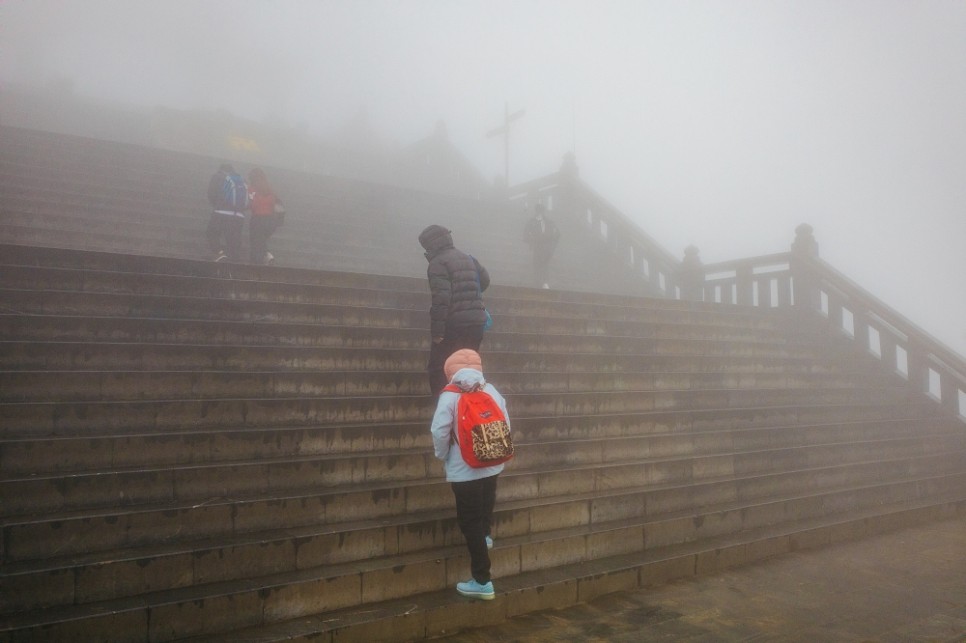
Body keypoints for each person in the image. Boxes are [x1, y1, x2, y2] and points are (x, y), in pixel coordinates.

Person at [431, 349, 508, 601]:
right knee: (486, 506)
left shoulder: (450, 396)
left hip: (465, 469)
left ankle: (482, 581)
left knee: (469, 521)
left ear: (449, 373)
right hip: (493, 463)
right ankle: (485, 536)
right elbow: (505, 422)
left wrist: (443, 456)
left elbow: (439, 430)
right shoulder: (490, 389)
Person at [418, 224, 490, 397]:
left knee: (439, 368)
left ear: (430, 244)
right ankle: (470, 409)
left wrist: (437, 333)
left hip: (454, 325)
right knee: (469, 368)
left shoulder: (438, 263)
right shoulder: (468, 258)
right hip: (476, 323)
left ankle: (446, 409)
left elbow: (441, 300)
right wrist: (470, 295)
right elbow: (485, 280)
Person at [206, 163, 248, 262]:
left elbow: (211, 193)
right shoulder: (241, 180)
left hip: (221, 211)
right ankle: (234, 258)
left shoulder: (218, 177)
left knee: (212, 232)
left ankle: (219, 253)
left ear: (221, 169)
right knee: (233, 237)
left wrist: (217, 204)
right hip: (238, 215)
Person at [247, 167, 281, 265]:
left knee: (255, 241)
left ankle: (259, 259)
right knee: (261, 240)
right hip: (271, 220)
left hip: (258, 219)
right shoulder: (269, 188)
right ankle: (266, 255)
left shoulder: (252, 189)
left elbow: (251, 203)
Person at [523, 203, 560, 289]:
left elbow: (557, 234)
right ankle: (538, 282)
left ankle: (545, 282)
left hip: (547, 246)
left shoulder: (550, 222)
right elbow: (525, 235)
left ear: (543, 211)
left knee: (544, 263)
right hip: (537, 246)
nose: (540, 213)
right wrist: (531, 241)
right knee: (537, 263)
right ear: (536, 211)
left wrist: (552, 242)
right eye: (538, 211)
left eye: (541, 211)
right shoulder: (531, 222)